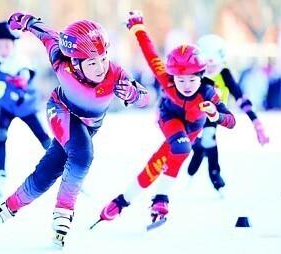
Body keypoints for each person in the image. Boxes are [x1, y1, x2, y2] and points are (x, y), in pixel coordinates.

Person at [0, 12, 150, 247]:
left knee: (45, 175)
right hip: (61, 111)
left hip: (87, 126)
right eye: (92, 62)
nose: (101, 67)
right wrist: (25, 22)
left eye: (103, 58)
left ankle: (4, 210)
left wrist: (134, 95)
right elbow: (46, 34)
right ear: (75, 62)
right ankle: (64, 213)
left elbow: (145, 98)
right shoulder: (60, 59)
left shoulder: (115, 75)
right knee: (83, 154)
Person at [95, 12, 236, 228]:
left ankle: (127, 201)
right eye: (180, 79)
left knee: (162, 160)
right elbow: (150, 54)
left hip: (191, 127)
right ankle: (158, 200)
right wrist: (137, 26)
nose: (186, 85)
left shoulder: (208, 93)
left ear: (200, 76)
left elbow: (231, 121)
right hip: (169, 118)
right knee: (181, 148)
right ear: (172, 76)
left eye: (191, 79)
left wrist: (216, 115)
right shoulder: (166, 80)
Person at [0, 21, 52, 199]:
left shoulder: (20, 60)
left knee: (42, 137)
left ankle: (61, 162)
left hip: (24, 106)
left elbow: (26, 72)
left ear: (14, 44)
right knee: (0, 135)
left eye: (7, 45)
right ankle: (0, 174)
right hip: (6, 106)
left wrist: (22, 80)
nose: (3, 49)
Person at [187, 34, 269, 191]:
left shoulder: (224, 73)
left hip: (213, 114)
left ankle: (214, 173)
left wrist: (256, 122)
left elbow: (240, 97)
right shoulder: (195, 75)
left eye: (214, 64)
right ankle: (198, 151)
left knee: (209, 138)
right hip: (192, 115)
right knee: (195, 146)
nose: (210, 69)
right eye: (206, 65)